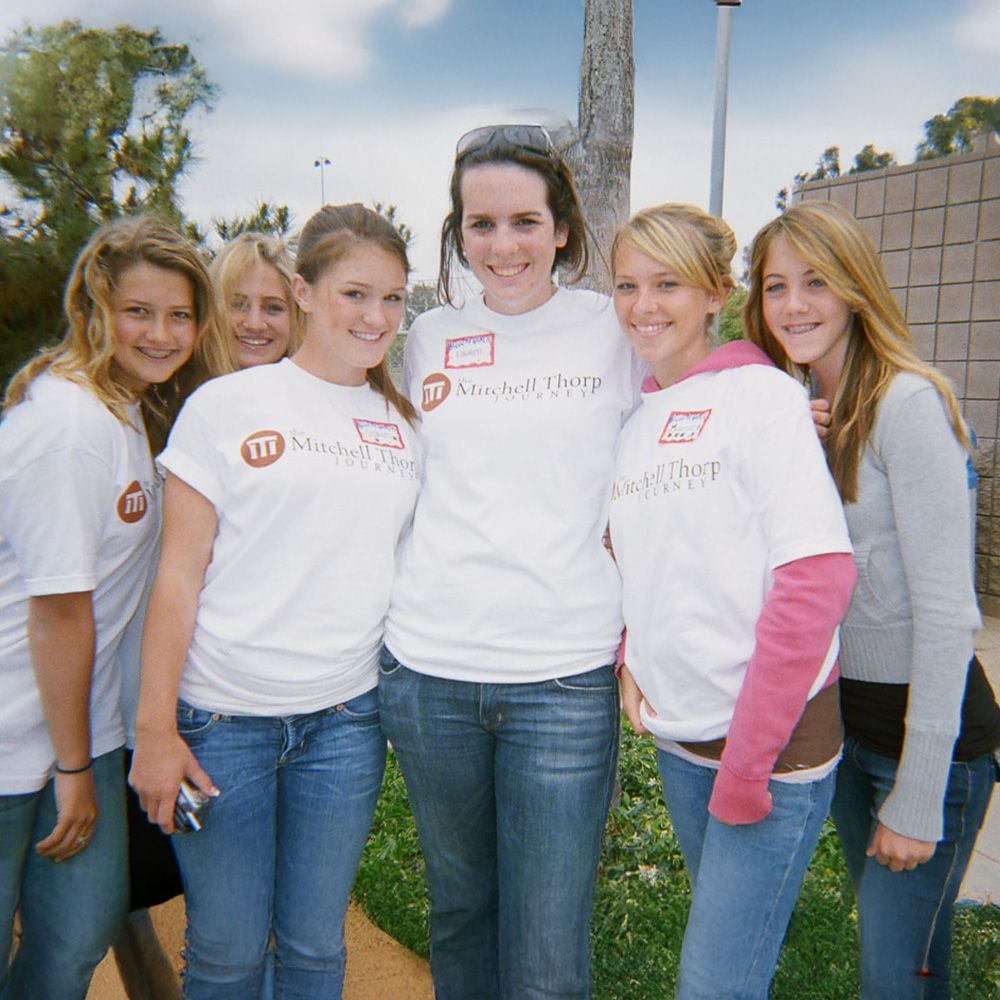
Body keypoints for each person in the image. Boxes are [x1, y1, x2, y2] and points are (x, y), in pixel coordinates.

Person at [130, 203, 420, 998]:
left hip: (346, 725)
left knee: (315, 951)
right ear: (303, 290)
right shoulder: (225, 407)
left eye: (393, 298)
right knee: (225, 954)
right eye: (355, 293)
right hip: (222, 727)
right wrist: (154, 731)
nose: (376, 316)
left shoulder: (403, 423)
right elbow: (177, 577)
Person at [379, 123, 639, 998]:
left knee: (546, 941)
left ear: (562, 227)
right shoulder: (424, 340)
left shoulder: (616, 329)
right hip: (430, 674)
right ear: (457, 233)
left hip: (562, 679)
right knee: (459, 911)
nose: (504, 246)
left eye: (525, 222)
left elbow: (714, 399)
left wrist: (803, 413)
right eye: (480, 225)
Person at [744, 199, 1000, 999]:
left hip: (925, 740)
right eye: (775, 284)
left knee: (897, 976)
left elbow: (950, 613)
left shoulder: (908, 402)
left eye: (816, 281)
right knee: (906, 966)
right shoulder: (800, 413)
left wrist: (918, 795)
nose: (793, 305)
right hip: (849, 729)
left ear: (856, 287)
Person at [608, 204, 857, 1000]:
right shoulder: (638, 421)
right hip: (683, 742)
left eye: (667, 283)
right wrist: (627, 659)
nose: (643, 305)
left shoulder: (762, 399)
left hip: (769, 753)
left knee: (715, 985)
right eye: (626, 285)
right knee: (731, 971)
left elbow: (816, 580)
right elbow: (640, 560)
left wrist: (748, 764)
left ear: (716, 293)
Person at [0, 214, 210, 1000]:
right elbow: (58, 614)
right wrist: (75, 767)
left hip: (71, 735)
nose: (161, 333)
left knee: (76, 936)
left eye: (179, 315)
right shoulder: (65, 428)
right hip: (23, 745)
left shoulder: (121, 408)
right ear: (94, 310)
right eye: (139, 312)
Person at [113, 233, 302, 1000]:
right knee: (128, 893)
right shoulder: (166, 409)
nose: (256, 322)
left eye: (274, 306)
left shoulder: (310, 410)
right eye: (237, 305)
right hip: (154, 696)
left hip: (277, 699)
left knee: (250, 909)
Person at [203, 232, 302, 373]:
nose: (254, 325)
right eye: (238, 305)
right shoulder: (182, 392)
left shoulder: (320, 393)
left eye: (274, 308)